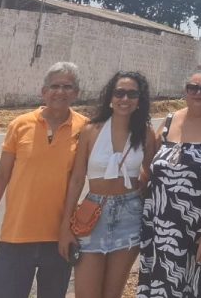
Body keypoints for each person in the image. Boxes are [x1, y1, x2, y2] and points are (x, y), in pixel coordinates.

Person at [0, 61, 87, 298]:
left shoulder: (85, 128)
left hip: (59, 239)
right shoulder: (20, 125)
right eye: (54, 86)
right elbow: (1, 176)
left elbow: (80, 180)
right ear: (43, 91)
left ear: (76, 93)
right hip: (16, 236)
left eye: (67, 87)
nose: (60, 92)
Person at [137, 64, 201, 298]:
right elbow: (148, 166)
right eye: (193, 87)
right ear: (185, 91)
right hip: (158, 226)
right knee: (159, 288)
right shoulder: (170, 121)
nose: (198, 93)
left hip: (197, 231)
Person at [59, 71, 158, 298]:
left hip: (130, 215)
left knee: (113, 293)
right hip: (93, 213)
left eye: (132, 94)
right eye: (119, 93)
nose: (125, 99)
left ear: (140, 100)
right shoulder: (91, 130)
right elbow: (77, 179)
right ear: (110, 97)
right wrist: (65, 226)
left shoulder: (145, 134)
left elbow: (152, 173)